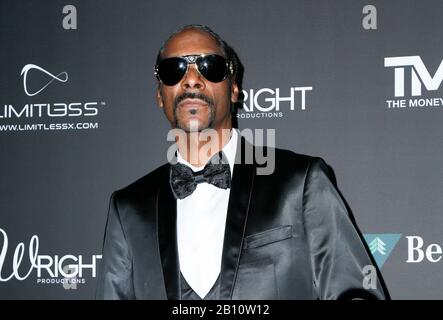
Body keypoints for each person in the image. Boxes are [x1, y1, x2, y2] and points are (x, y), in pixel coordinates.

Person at [96, 24, 388, 300]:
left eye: (210, 67)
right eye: (174, 70)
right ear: (160, 95)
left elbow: (357, 292)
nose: (192, 79)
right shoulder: (129, 208)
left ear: (234, 88)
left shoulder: (299, 183)